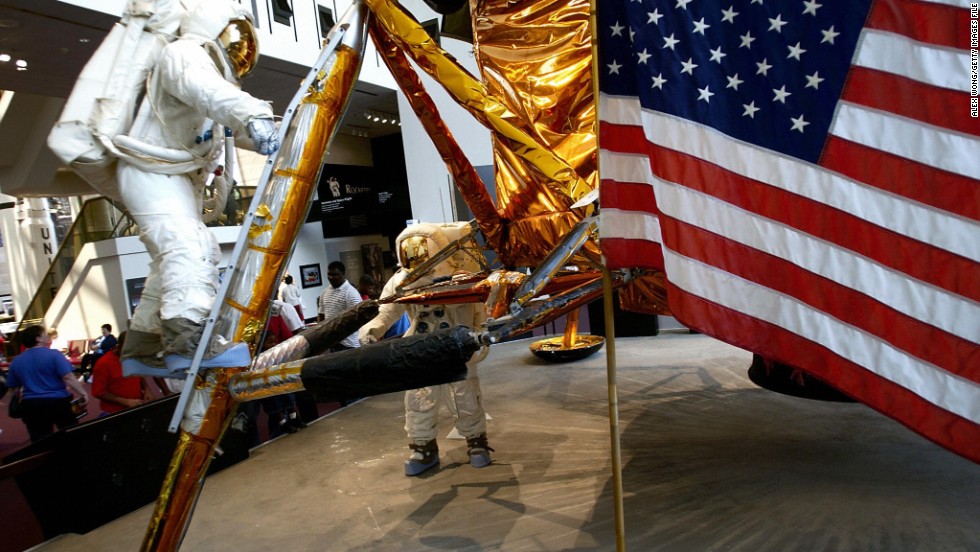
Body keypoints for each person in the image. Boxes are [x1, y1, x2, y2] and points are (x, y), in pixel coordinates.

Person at [120, 1, 280, 375]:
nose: (240, 50)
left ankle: (144, 346)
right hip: (152, 169)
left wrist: (269, 129)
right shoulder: (183, 54)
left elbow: (219, 121)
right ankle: (189, 343)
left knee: (173, 259)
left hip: (171, 173)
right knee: (189, 246)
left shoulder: (206, 75)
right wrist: (253, 114)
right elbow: (204, 89)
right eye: (235, 37)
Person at [359, 222, 493, 476]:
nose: (414, 258)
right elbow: (387, 311)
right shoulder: (402, 280)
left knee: (465, 397)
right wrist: (373, 329)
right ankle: (423, 447)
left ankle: (477, 443)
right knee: (419, 400)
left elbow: (479, 312)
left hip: (456, 345)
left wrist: (479, 341)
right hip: (420, 346)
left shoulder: (463, 276)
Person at [5, 325, 89, 442]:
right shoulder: (54, 355)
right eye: (44, 334)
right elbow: (68, 377)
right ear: (38, 338)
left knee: (40, 440)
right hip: (58, 401)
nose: (47, 336)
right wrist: (83, 393)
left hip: (32, 403)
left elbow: (13, 388)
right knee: (70, 435)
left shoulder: (17, 361)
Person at [91, 332, 149, 416]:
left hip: (137, 406)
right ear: (119, 347)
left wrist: (147, 389)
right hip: (115, 412)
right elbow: (99, 392)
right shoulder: (103, 364)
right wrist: (125, 401)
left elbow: (138, 376)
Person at [317, 261, 362, 352]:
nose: (331, 277)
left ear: (343, 274)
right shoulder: (325, 292)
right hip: (331, 342)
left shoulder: (351, 293)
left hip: (348, 344)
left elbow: (358, 318)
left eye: (335, 275)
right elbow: (321, 316)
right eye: (329, 274)